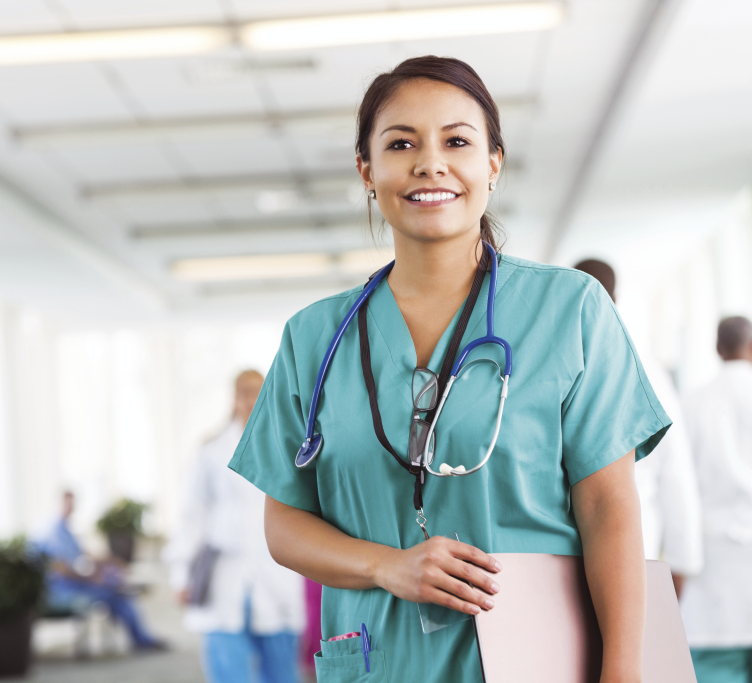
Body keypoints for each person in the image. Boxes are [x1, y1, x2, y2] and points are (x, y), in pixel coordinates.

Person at [228, 56, 670, 683]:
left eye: (457, 141)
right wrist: (386, 565)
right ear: (367, 171)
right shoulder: (313, 338)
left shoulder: (570, 310)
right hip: (381, 661)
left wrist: (624, 673)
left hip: (540, 660)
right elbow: (284, 525)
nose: (429, 163)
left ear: (493, 163)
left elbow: (608, 510)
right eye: (400, 144)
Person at [164, 370, 304, 683]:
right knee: (227, 666)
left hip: (276, 571)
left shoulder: (288, 443)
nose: (251, 399)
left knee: (281, 670)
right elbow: (193, 513)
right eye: (244, 392)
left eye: (258, 391)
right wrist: (180, 572)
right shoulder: (212, 449)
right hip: (225, 572)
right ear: (235, 398)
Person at [573, 258, 703, 596]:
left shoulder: (638, 364)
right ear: (615, 297)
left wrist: (681, 562)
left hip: (618, 544)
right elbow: (675, 473)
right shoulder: (647, 367)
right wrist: (682, 562)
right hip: (633, 543)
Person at [680, 316, 752, 682]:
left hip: (711, 553)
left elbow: (680, 487)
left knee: (714, 663)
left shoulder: (693, 402)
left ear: (718, 349)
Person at [35, 491, 166, 651]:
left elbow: (84, 554)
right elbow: (60, 568)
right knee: (115, 595)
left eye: (73, 503)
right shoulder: (54, 530)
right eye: (68, 502)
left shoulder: (65, 530)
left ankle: (141, 638)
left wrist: (112, 561)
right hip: (60, 590)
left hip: (72, 584)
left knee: (115, 591)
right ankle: (141, 640)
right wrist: (92, 578)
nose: (71, 506)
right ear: (59, 503)